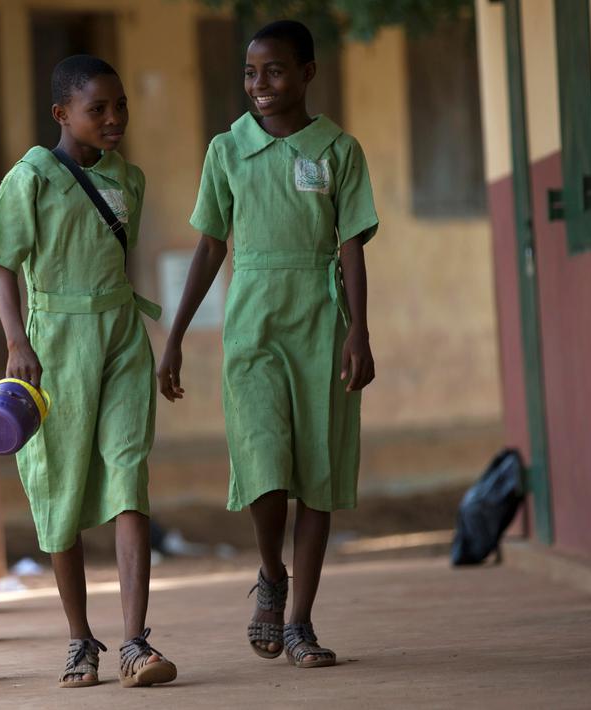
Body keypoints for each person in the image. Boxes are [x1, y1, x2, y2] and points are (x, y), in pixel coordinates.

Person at [157, 20, 378, 669]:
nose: (260, 84)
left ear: (308, 73)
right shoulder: (227, 150)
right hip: (251, 320)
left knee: (315, 471)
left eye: (275, 70)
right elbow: (209, 245)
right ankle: (269, 574)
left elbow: (351, 246)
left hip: (320, 318)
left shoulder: (338, 149)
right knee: (262, 462)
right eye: (251, 73)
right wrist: (171, 339)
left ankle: (299, 624)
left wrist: (359, 331)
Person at [0, 54, 175, 689]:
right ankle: (78, 640)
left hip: (120, 338)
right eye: (98, 109)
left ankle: (136, 642)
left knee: (127, 478)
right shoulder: (28, 179)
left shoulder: (129, 179)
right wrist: (16, 341)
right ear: (62, 114)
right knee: (57, 489)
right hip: (51, 348)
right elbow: (2, 265)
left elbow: (116, 259)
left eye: (120, 106)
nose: (114, 118)